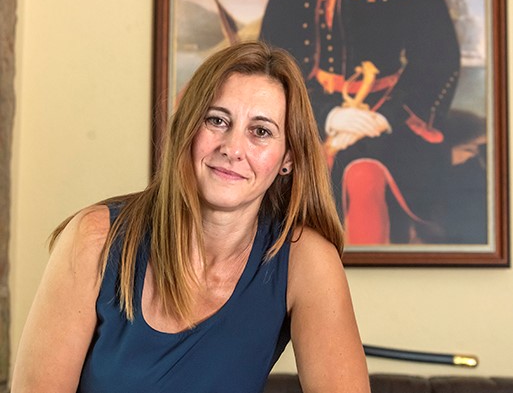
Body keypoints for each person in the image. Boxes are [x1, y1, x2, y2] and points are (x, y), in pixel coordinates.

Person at [11, 41, 370, 393]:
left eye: (260, 131)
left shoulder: (303, 261)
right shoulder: (94, 239)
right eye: (217, 120)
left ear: (287, 158)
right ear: (187, 128)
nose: (232, 148)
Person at [260, 0, 461, 245]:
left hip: (389, 120)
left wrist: (385, 118)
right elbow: (271, 68)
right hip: (306, 115)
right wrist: (327, 115)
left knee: (364, 176)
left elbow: (438, 59)